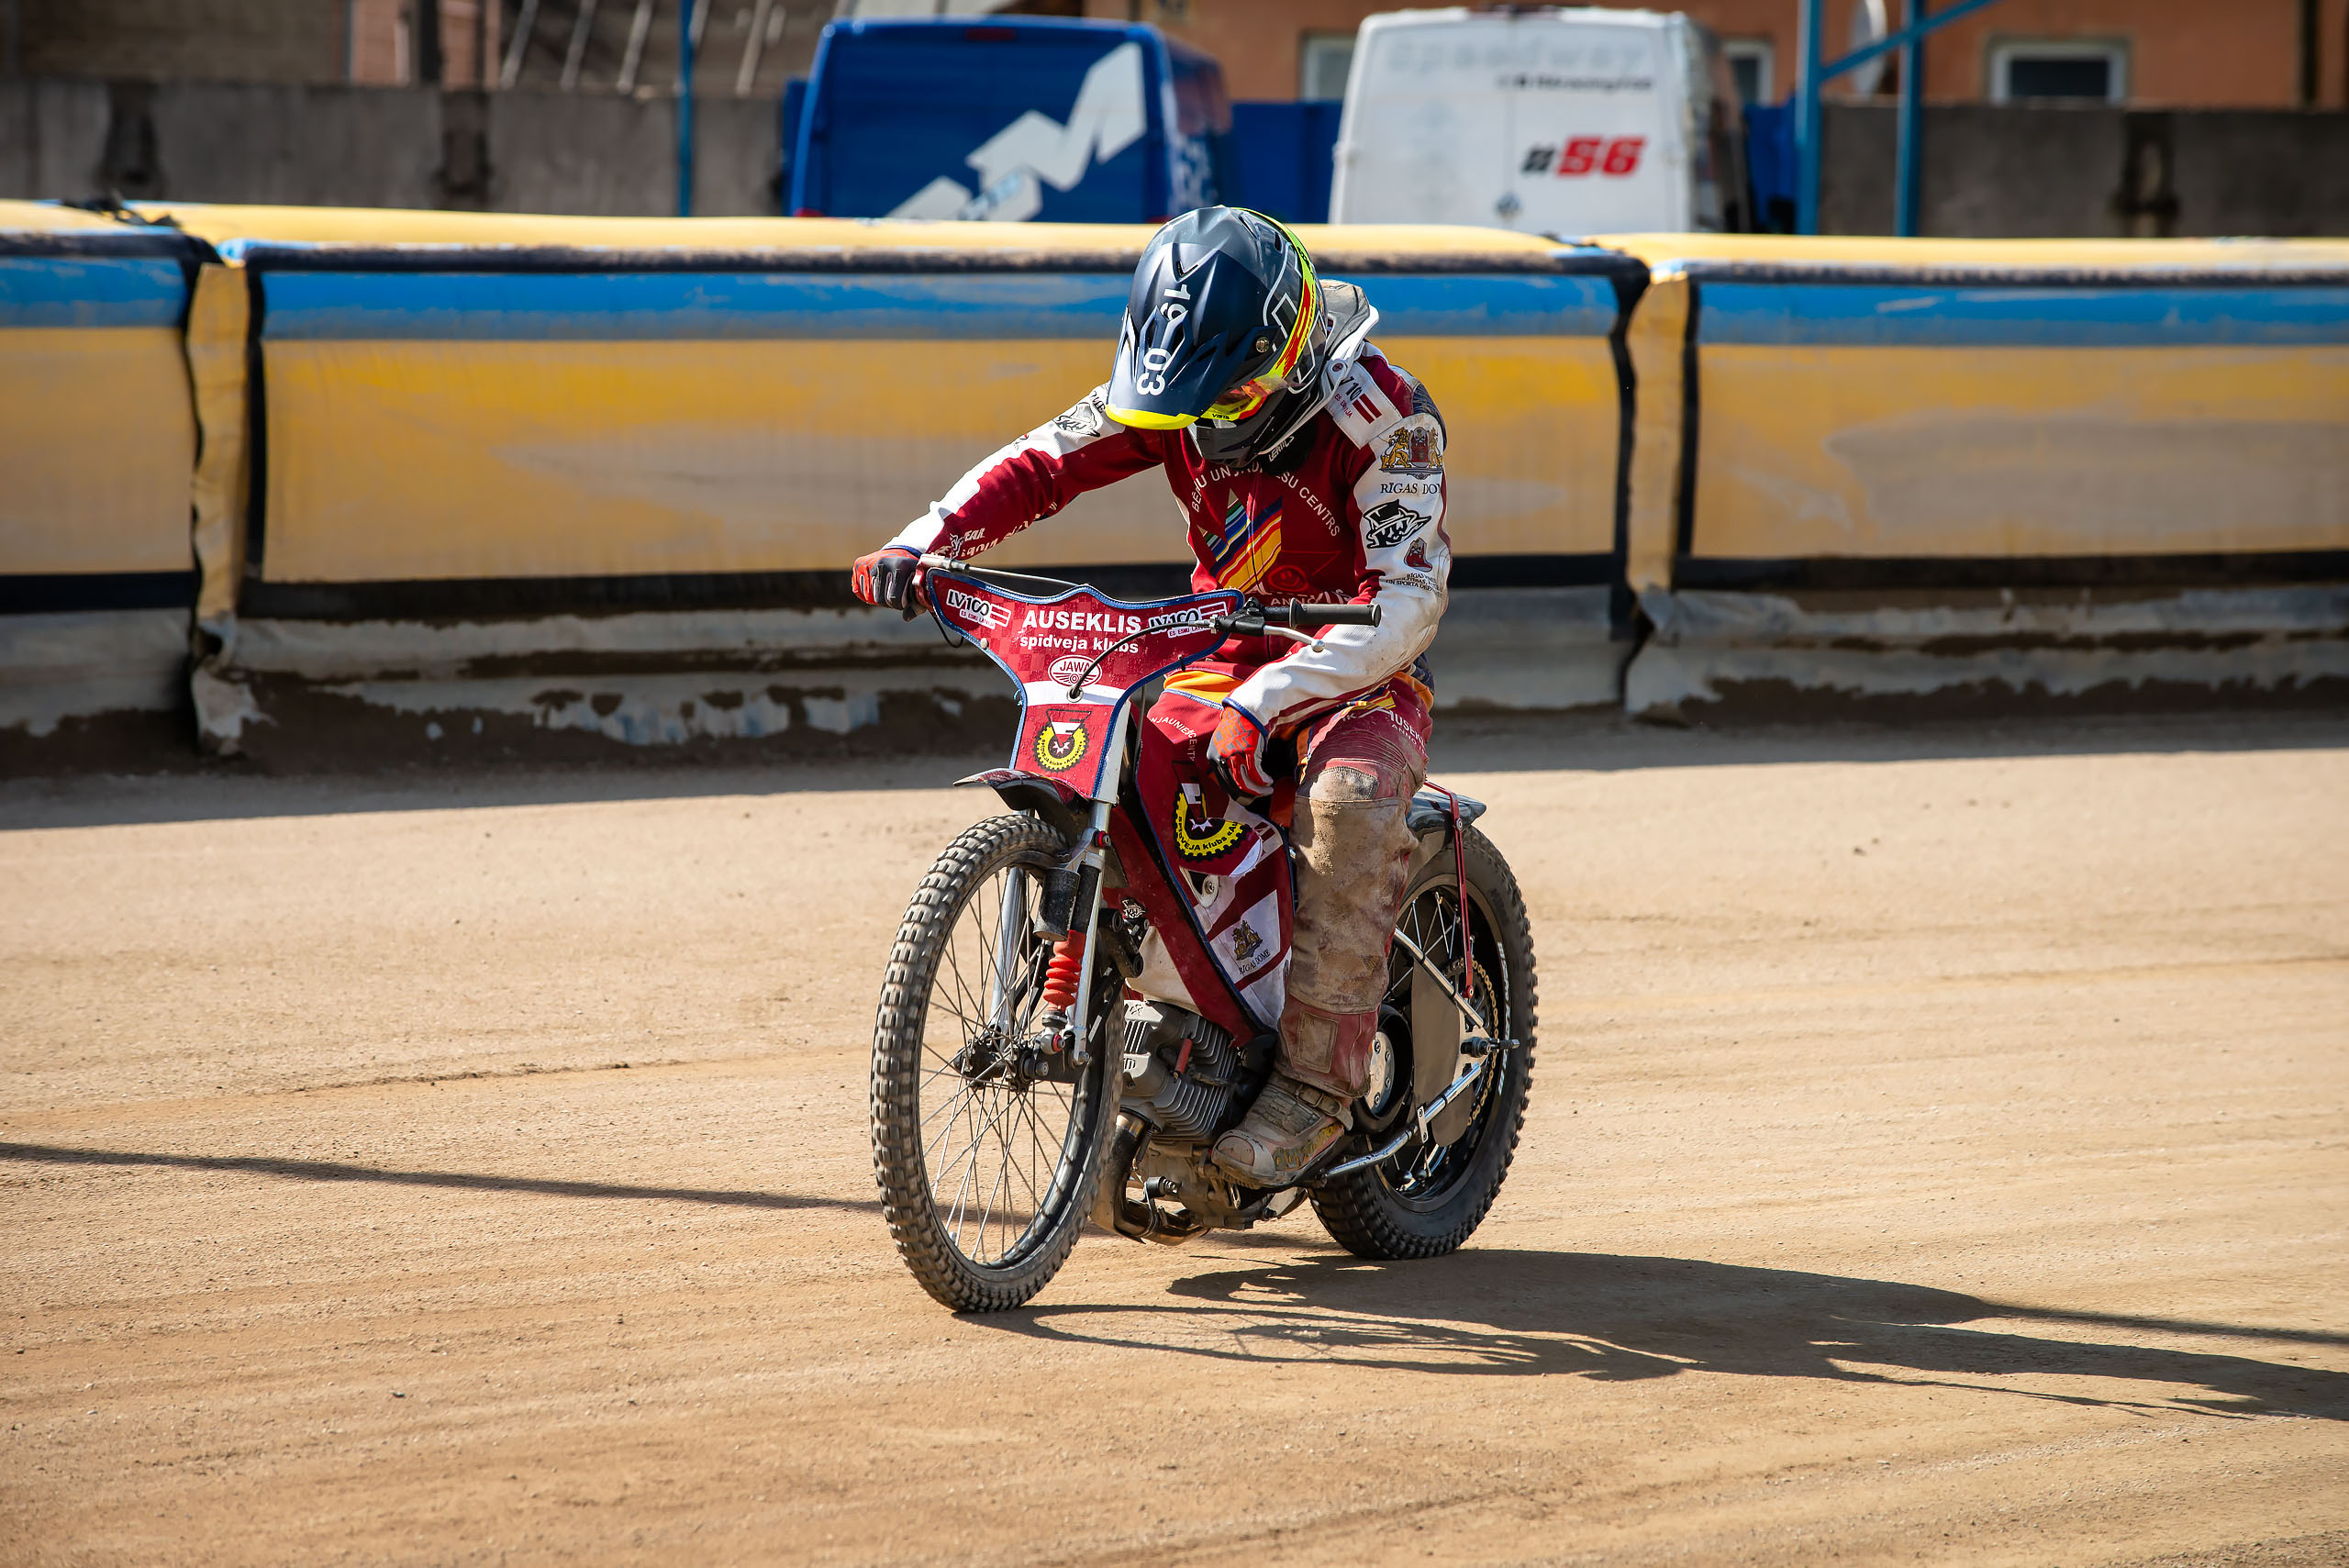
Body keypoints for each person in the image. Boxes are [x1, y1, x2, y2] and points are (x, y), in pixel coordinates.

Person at [850, 207, 1451, 1187]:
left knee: (1343, 804)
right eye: (1194, 400)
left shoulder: (1385, 414)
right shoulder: (1170, 396)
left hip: (1358, 672)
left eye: (1241, 389)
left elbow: (1407, 602)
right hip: (1215, 650)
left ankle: (1314, 1086)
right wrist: (926, 539)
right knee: (1125, 754)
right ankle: (1173, 1020)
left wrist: (1274, 697)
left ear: (1295, 344)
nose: (1217, 419)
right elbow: (1043, 459)